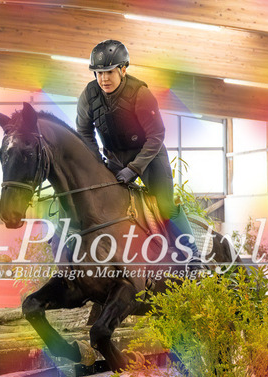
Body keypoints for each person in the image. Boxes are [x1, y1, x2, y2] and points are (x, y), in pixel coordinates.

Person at [76, 39, 201, 261]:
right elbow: (84, 132)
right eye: (99, 73)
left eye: (109, 72)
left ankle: (194, 257)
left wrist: (134, 169)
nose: (104, 79)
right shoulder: (89, 95)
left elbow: (156, 135)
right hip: (115, 159)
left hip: (150, 157)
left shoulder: (141, 93)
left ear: (123, 70)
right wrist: (97, 162)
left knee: (165, 207)